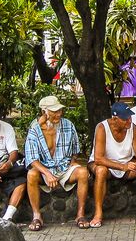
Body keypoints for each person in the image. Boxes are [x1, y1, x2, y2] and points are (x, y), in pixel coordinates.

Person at [88, 101, 136, 227]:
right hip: (106, 165)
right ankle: (98, 213)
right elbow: (99, 159)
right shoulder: (102, 128)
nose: (129, 121)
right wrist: (123, 166)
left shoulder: (133, 128)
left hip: (126, 164)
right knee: (101, 170)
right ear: (115, 118)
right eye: (125, 119)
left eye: (130, 117)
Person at [24, 95, 90, 231]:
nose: (59, 114)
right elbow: (32, 159)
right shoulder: (35, 130)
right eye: (54, 111)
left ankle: (80, 214)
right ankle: (37, 216)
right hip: (45, 169)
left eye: (59, 110)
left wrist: (73, 162)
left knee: (83, 172)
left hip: (64, 167)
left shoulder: (68, 124)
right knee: (31, 174)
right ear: (45, 112)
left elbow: (75, 149)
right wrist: (47, 173)